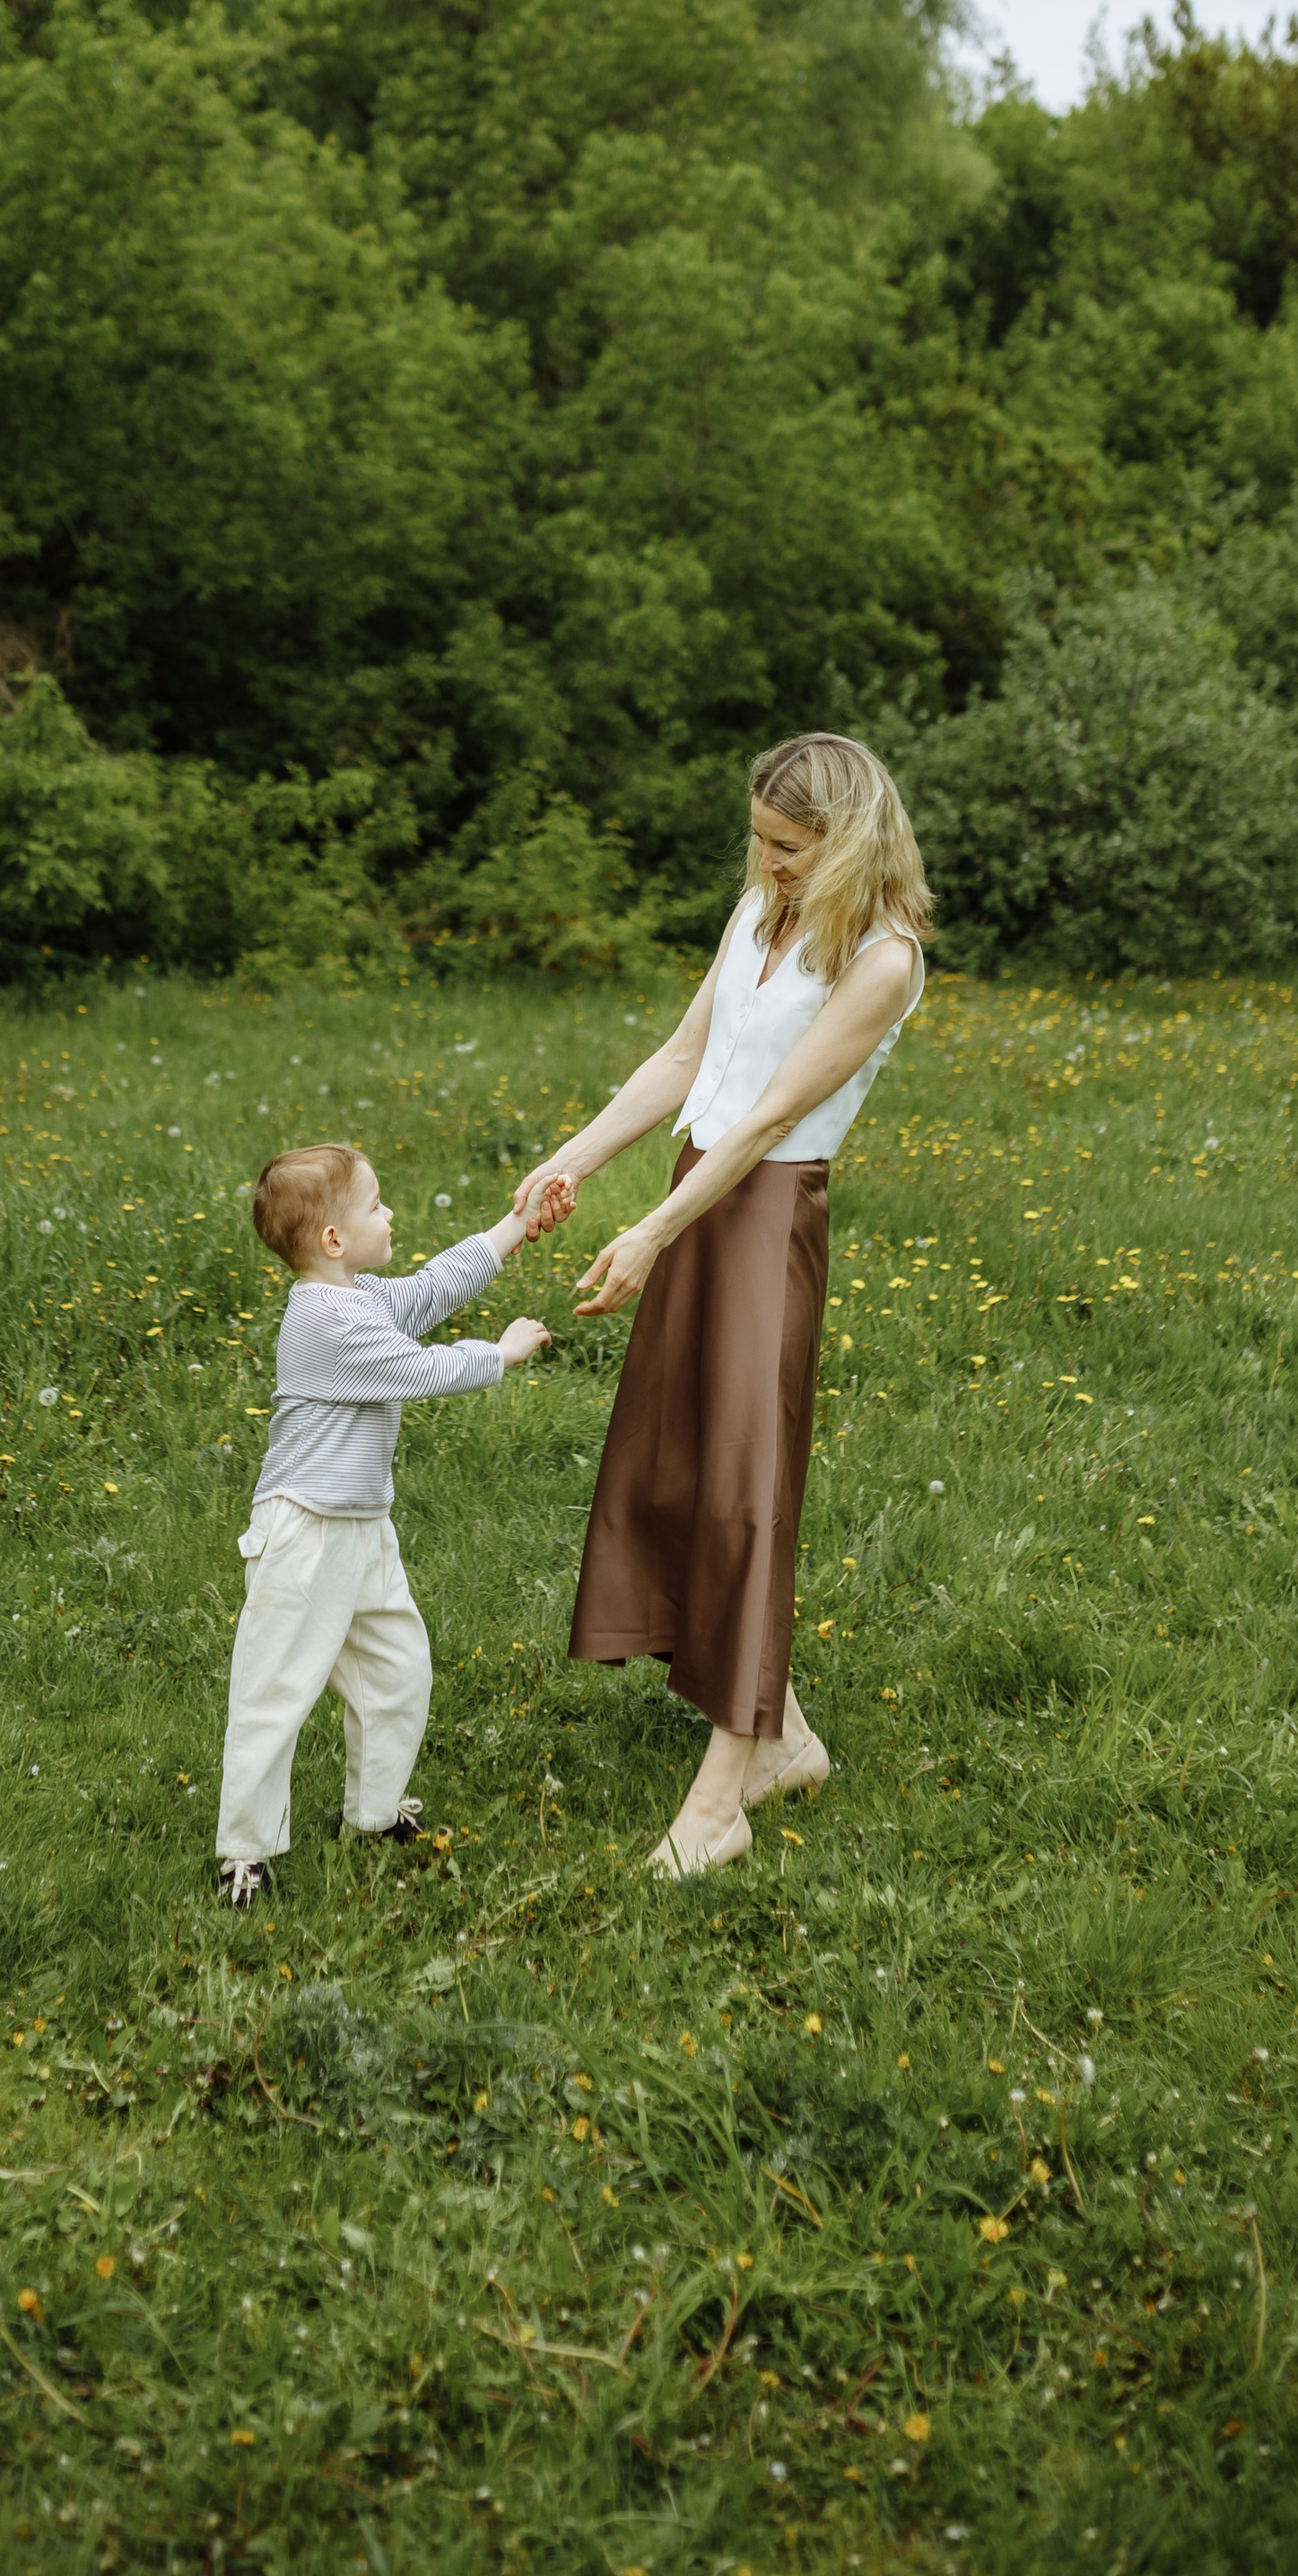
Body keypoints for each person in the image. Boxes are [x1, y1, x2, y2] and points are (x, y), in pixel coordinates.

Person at [517, 733, 930, 1878]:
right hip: (699, 1189)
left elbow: (762, 1124)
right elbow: (684, 1061)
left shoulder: (882, 958)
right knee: (685, 1464)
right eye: (757, 840)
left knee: (747, 1485)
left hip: (760, 1213)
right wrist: (578, 1159)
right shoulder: (756, 913)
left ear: (848, 840)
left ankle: (721, 1798)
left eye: (790, 848)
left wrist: (656, 1231)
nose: (767, 864)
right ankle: (783, 1734)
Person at [214, 1144, 554, 1908]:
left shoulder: (360, 1295)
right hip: (304, 1532)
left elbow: (435, 1287)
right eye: (375, 1205)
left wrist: (515, 1224)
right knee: (276, 1690)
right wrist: (497, 1355)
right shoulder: (324, 1321)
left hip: (364, 1526)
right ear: (333, 1240)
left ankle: (372, 1813)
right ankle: (245, 1852)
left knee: (396, 1669)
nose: (389, 1213)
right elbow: (422, 1368)